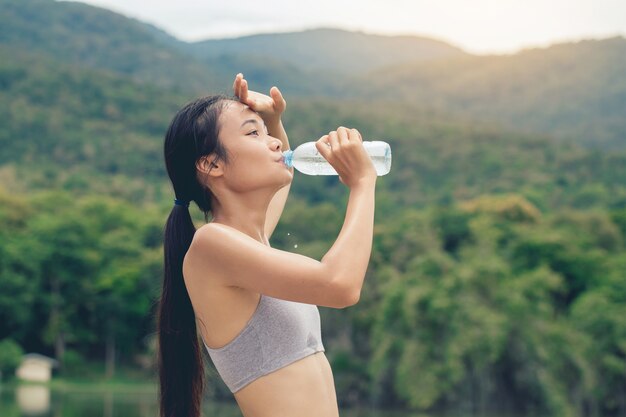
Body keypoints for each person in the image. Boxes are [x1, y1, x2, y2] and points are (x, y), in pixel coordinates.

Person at [158, 73, 377, 417]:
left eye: (266, 133)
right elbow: (340, 285)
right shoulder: (211, 244)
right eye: (252, 133)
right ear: (211, 164)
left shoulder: (250, 245)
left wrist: (271, 121)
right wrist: (363, 184)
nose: (274, 144)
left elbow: (281, 160)